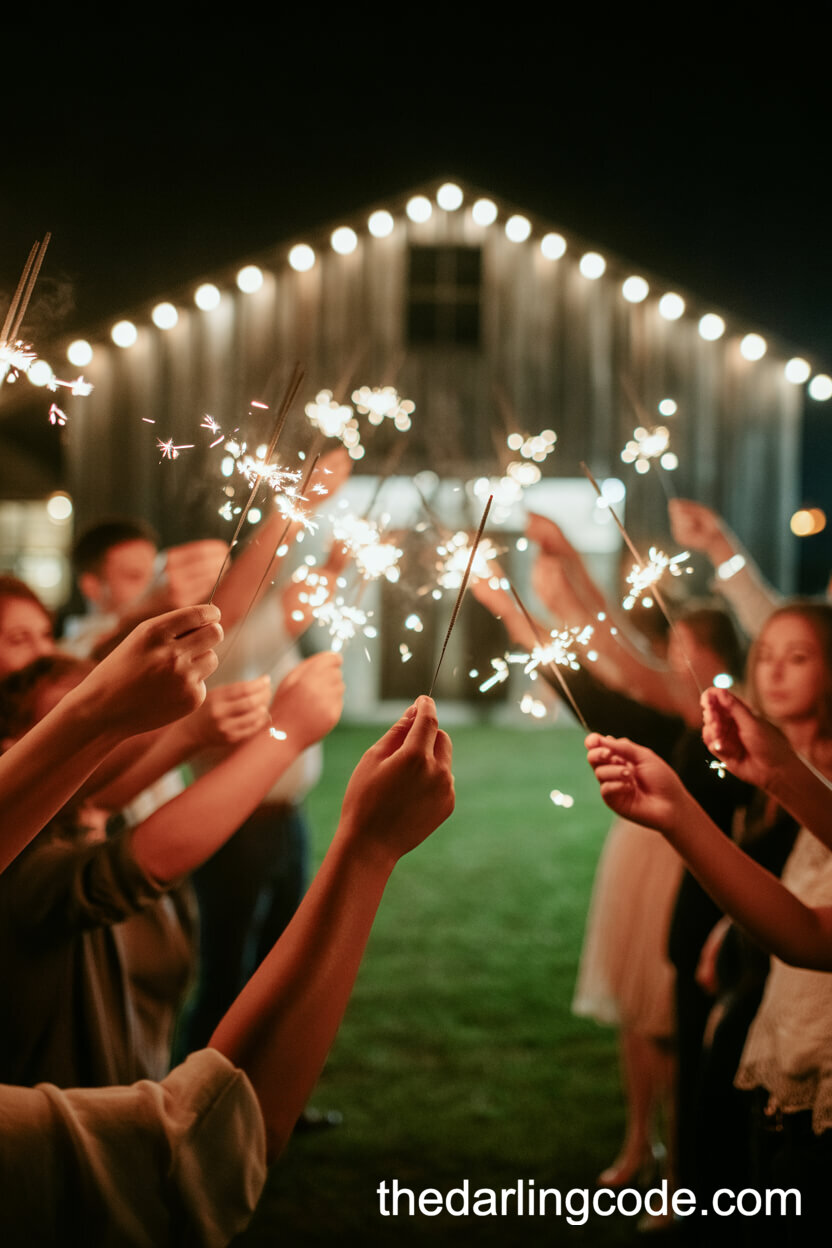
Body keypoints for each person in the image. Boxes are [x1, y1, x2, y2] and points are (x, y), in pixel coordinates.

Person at [0, 696, 455, 1247]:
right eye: (70, 728)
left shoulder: (90, 827)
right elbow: (203, 1147)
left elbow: (97, 795)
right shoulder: (32, 877)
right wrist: (367, 846)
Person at [0, 649, 344, 1088]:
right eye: (77, 721)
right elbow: (138, 864)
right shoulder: (25, 872)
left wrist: (196, 729)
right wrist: (286, 732)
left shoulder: (105, 816)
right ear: (15, 754)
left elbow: (102, 793)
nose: (109, 732)